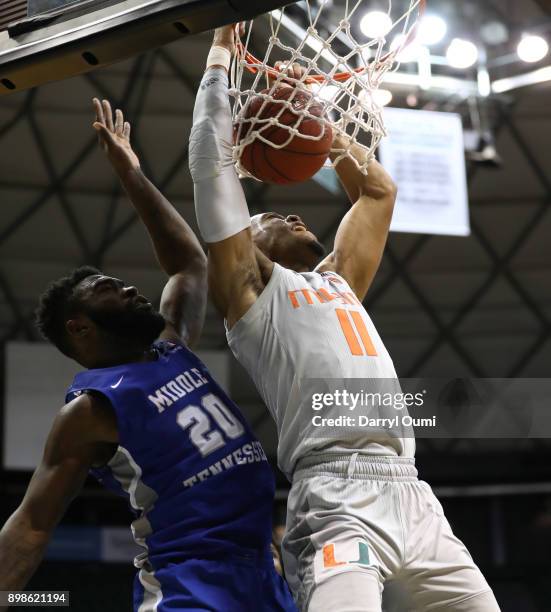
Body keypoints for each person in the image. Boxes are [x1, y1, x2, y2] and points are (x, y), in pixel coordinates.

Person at [188, 25, 501, 612]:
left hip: (413, 493)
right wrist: (219, 58)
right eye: (271, 216)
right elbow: (210, 171)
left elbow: (378, 191)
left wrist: (316, 124)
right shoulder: (252, 294)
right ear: (249, 246)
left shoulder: (340, 281)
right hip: (335, 497)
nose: (292, 213)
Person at [0, 99, 296, 612]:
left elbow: (189, 265)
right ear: (80, 327)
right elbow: (32, 523)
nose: (130, 288)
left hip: (258, 574)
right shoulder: (89, 411)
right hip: (190, 584)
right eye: (108, 289)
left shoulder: (170, 348)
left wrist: (131, 173)